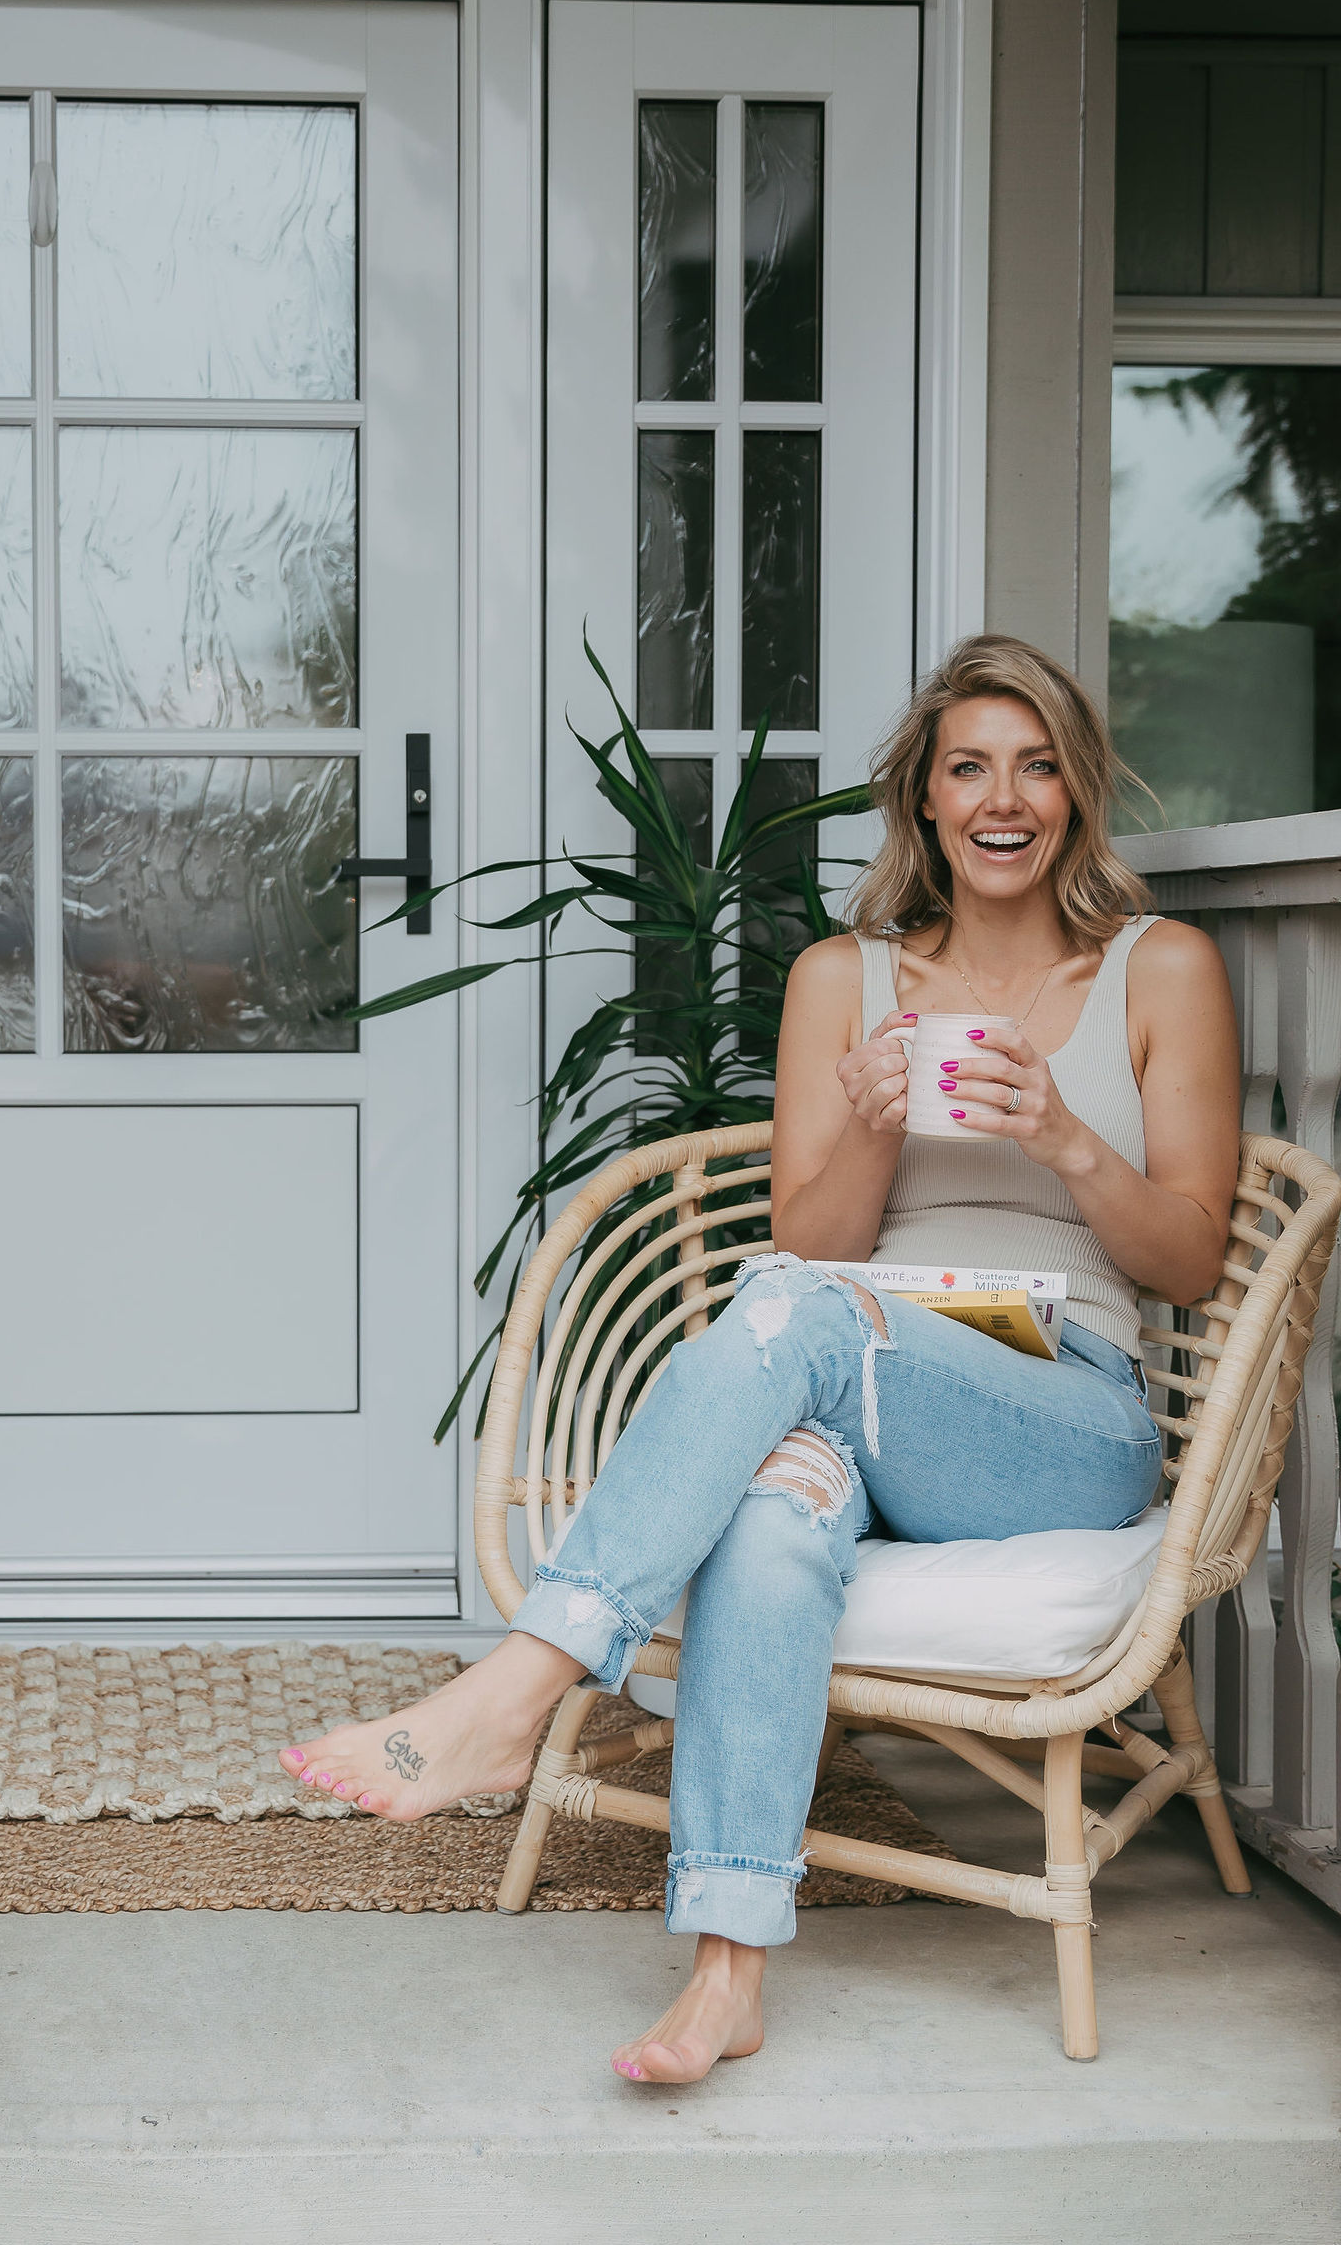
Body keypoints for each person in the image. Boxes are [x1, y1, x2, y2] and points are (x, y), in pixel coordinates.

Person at [281, 634, 1242, 2085]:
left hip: (1058, 1411)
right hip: (857, 1384)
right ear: (921, 799)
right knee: (781, 1503)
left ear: (1077, 793)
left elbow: (1185, 1258)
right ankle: (728, 1971)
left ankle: (521, 1687)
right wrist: (866, 1117)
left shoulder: (1160, 970)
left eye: (1037, 766)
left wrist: (1060, 1135)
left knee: (791, 1308)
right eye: (968, 766)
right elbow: (825, 1233)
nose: (1004, 797)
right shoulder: (836, 981)